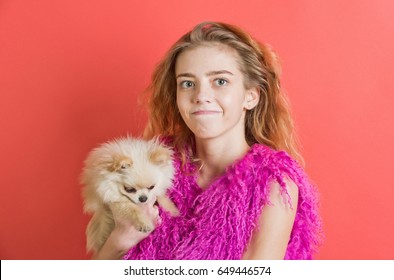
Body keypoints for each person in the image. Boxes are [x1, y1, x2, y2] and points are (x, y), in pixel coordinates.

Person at [94, 21, 323, 260]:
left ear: (250, 96)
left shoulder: (274, 184)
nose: (201, 96)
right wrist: (118, 241)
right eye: (188, 83)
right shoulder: (152, 167)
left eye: (220, 81)